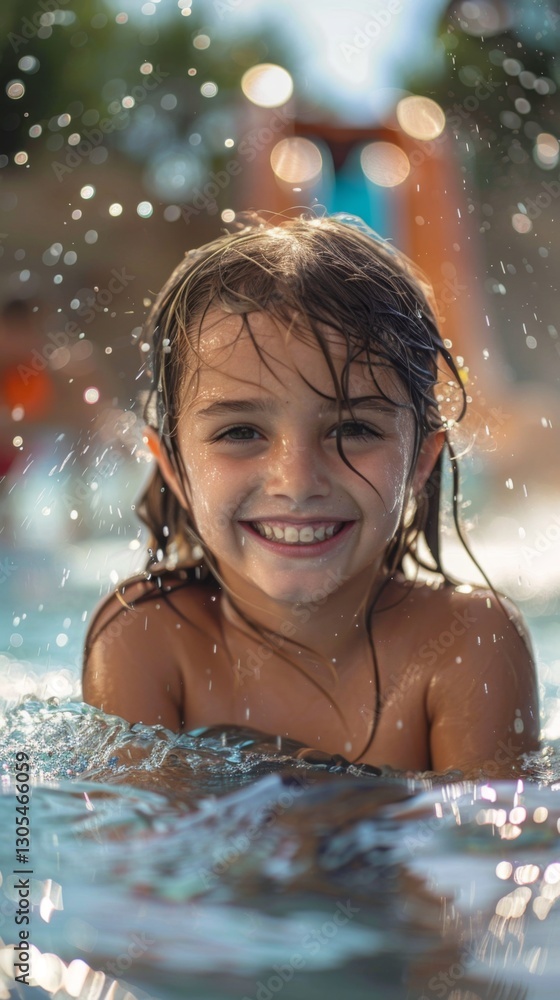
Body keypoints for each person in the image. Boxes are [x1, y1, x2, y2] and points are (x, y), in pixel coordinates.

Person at [82, 213, 539, 777]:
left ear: (421, 459)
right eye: (241, 432)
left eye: (353, 430)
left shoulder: (466, 644)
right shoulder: (148, 640)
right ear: (174, 466)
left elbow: (489, 855)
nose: (297, 482)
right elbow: (138, 857)